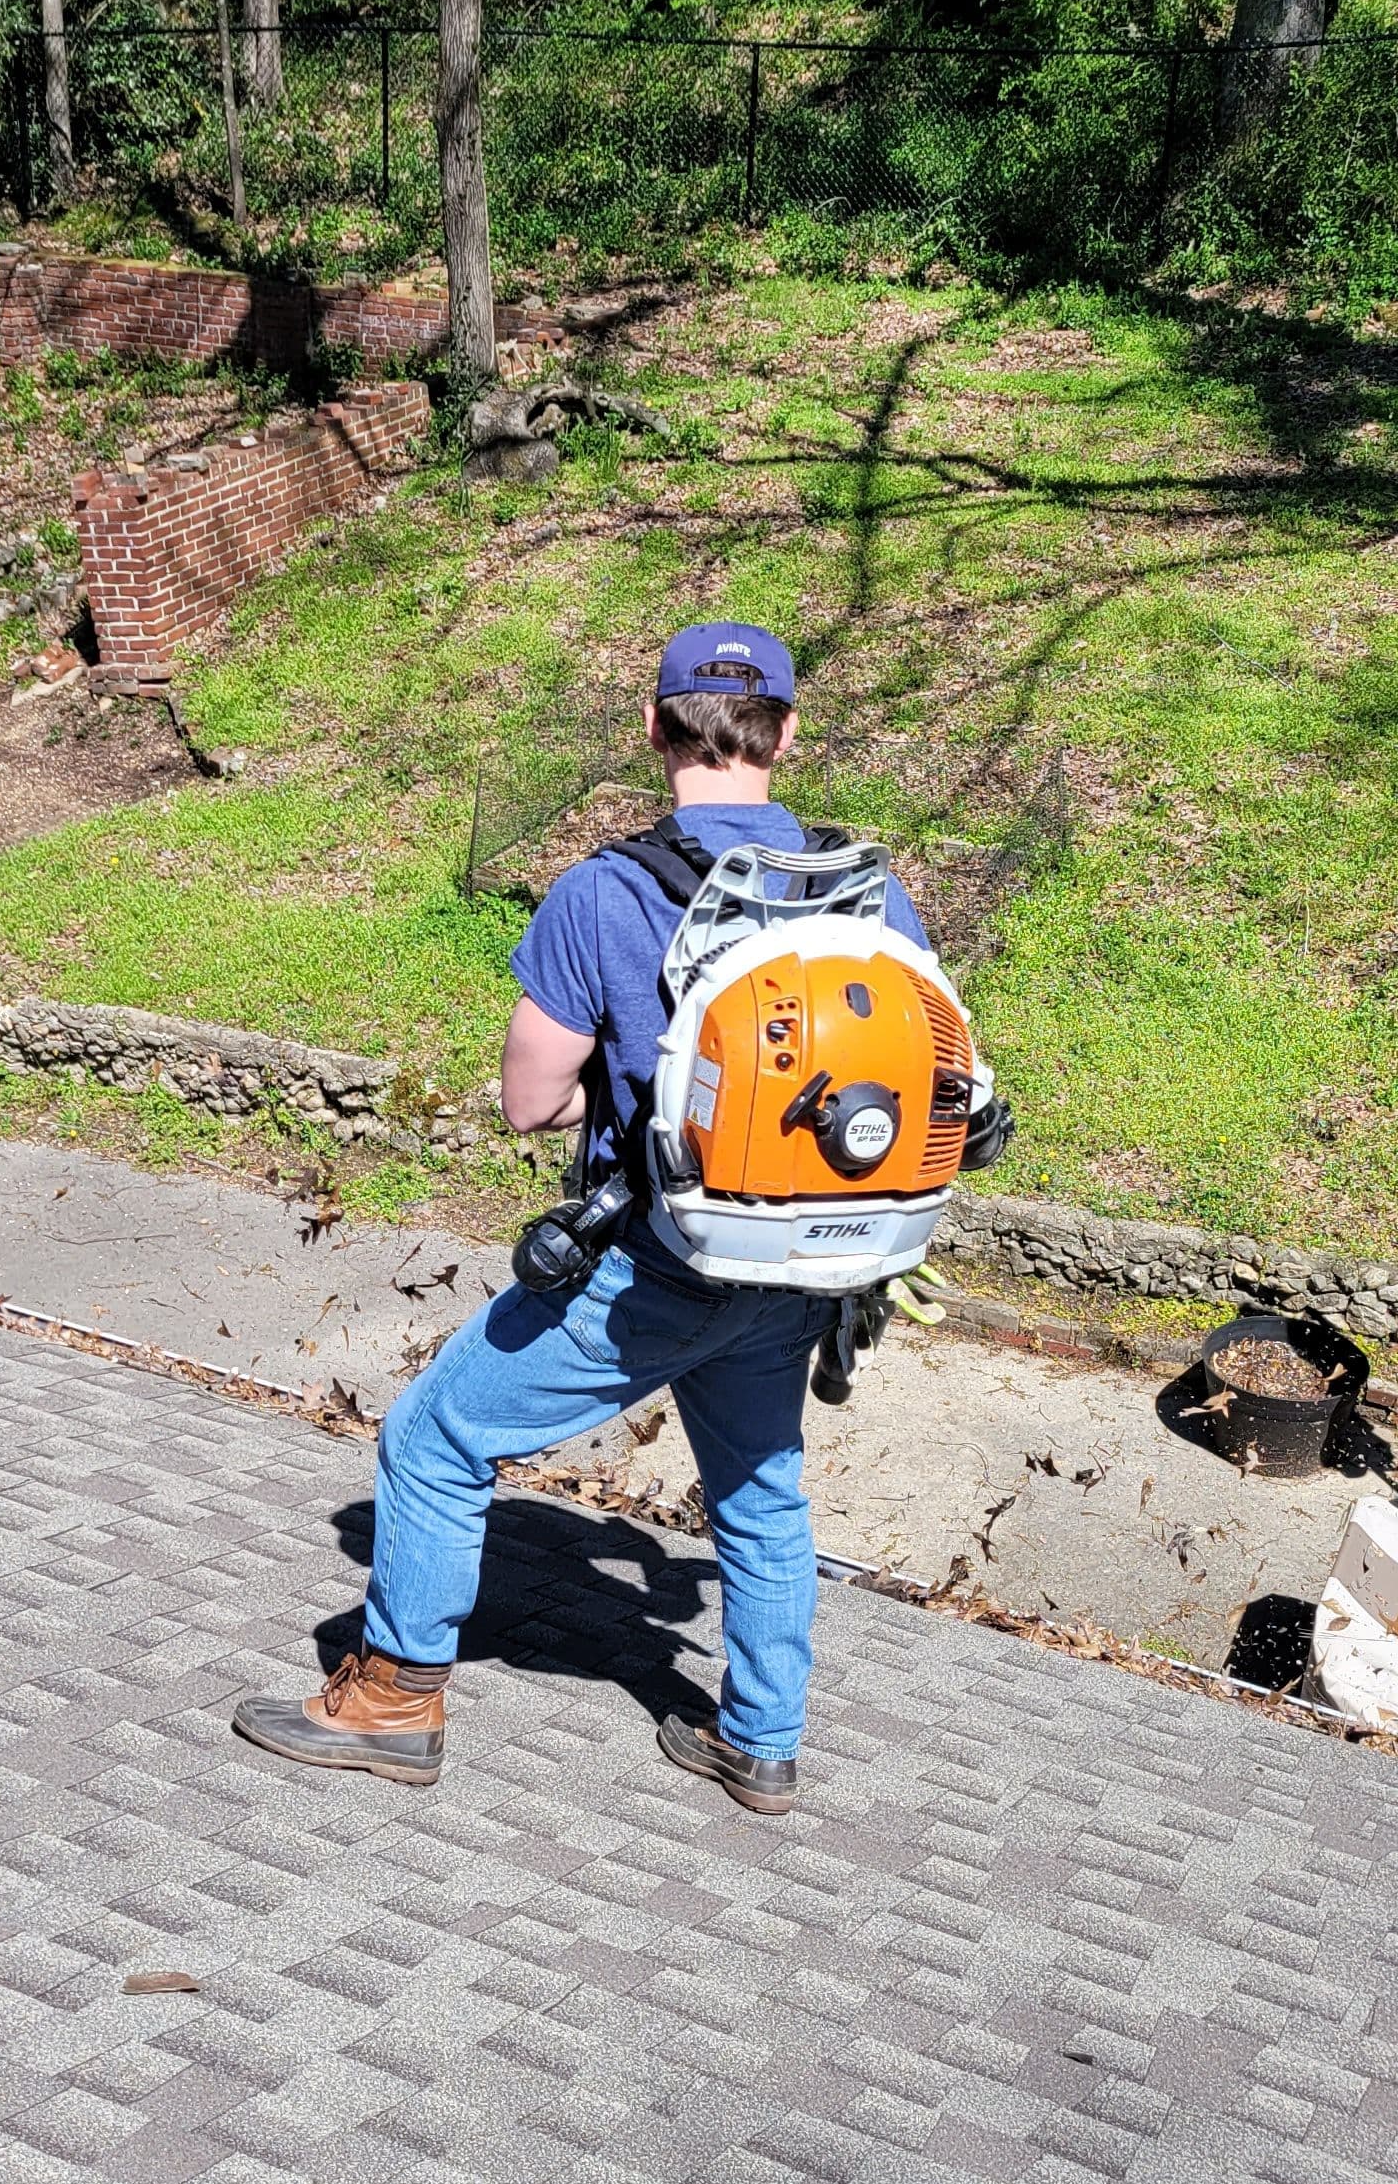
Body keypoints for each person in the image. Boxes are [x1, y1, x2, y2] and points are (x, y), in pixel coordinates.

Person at [233, 621, 933, 1818]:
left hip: (652, 1271)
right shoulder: (870, 894)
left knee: (437, 1442)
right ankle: (759, 1741)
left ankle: (394, 1702)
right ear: (789, 733)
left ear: (654, 727)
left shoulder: (607, 892)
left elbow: (529, 1100)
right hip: (807, 1265)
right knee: (761, 1498)